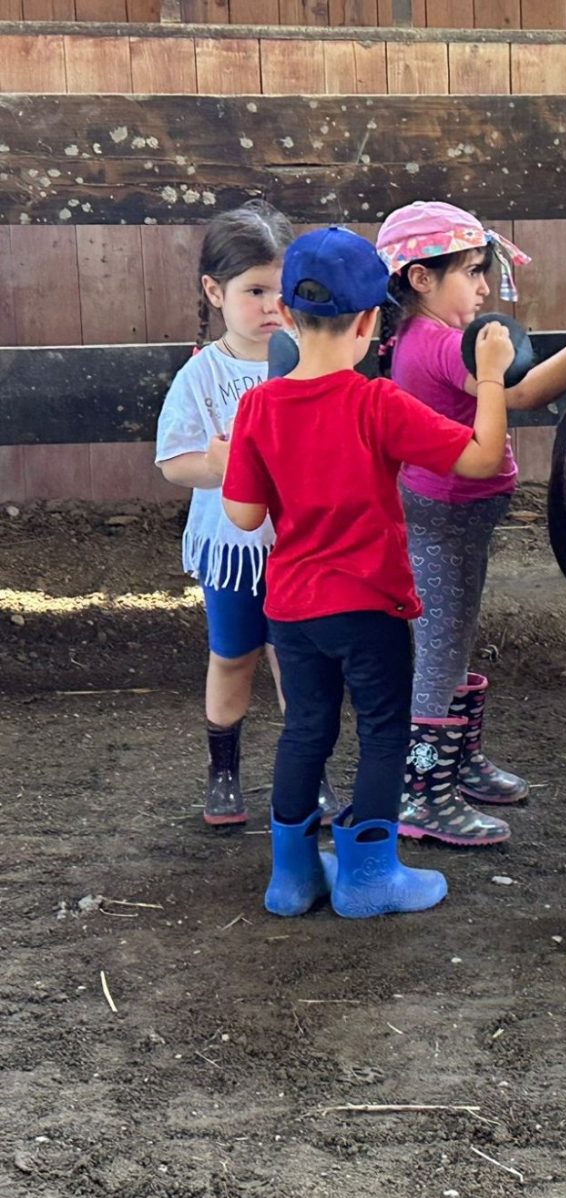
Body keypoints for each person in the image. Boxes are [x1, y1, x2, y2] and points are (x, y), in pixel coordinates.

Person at [221, 226, 515, 918]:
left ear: (287, 316)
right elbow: (478, 459)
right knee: (384, 730)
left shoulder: (257, 407)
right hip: (370, 606)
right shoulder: (375, 404)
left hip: (291, 608)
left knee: (306, 731)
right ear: (370, 320)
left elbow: (240, 515)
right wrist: (494, 373)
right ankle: (368, 877)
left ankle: (292, 877)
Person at [374, 201, 566, 846]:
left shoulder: (426, 341)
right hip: (446, 517)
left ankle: (457, 760)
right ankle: (421, 794)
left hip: (455, 519)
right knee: (441, 649)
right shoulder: (443, 346)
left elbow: (521, 390)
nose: (484, 287)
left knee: (454, 635)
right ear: (421, 279)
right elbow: (523, 394)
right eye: (473, 272)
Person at [155, 201, 340, 828]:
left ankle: (307, 774)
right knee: (233, 655)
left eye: (279, 290)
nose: (269, 306)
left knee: (301, 662)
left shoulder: (311, 365)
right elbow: (174, 462)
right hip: (234, 550)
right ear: (215, 291)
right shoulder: (201, 377)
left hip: (303, 548)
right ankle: (224, 771)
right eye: (253, 290)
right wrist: (225, 466)